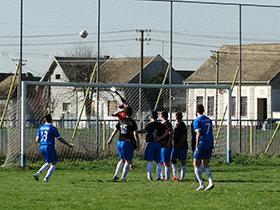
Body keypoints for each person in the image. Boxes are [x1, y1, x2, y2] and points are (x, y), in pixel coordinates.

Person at [33, 114, 73, 182]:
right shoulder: (52, 128)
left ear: (44, 120)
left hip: (42, 146)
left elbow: (37, 140)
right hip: (49, 146)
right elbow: (59, 138)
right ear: (51, 120)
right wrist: (68, 144)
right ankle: (46, 179)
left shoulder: (40, 128)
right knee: (53, 164)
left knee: (49, 162)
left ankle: (38, 173)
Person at [107, 107, 140, 181]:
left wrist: (110, 139)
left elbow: (115, 130)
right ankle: (123, 178)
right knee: (128, 160)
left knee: (122, 160)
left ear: (124, 113)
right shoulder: (132, 122)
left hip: (119, 142)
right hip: (127, 142)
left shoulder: (121, 120)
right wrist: (138, 142)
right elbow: (135, 133)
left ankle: (116, 175)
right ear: (132, 113)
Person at [138, 111, 168, 181]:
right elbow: (167, 132)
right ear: (157, 117)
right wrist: (160, 138)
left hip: (151, 142)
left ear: (151, 117)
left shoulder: (150, 125)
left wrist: (137, 132)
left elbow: (145, 130)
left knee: (149, 160)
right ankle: (158, 177)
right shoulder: (161, 125)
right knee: (158, 161)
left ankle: (149, 177)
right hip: (158, 143)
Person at [110, 87, 135, 170]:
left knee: (132, 147)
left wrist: (116, 93)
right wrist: (119, 112)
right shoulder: (120, 114)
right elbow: (113, 115)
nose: (121, 104)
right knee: (126, 148)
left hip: (129, 128)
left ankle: (130, 162)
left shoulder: (126, 108)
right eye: (120, 105)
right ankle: (129, 162)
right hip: (123, 130)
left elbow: (123, 100)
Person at [193, 104, 214, 191]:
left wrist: (196, 145)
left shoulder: (197, 121)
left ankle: (201, 183)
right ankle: (210, 182)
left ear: (196, 111)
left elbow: (198, 133)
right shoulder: (209, 120)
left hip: (202, 143)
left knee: (196, 164)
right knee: (205, 164)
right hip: (210, 142)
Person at [171, 111, 188, 181]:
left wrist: (179, 144)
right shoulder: (176, 125)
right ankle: (176, 176)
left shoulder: (182, 125)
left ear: (177, 117)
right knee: (173, 160)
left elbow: (184, 136)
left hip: (182, 146)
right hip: (176, 146)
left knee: (182, 161)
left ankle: (182, 177)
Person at [191, 113, 205, 181]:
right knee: (197, 162)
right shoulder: (195, 123)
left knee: (201, 161)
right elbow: (195, 134)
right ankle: (198, 176)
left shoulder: (199, 122)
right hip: (195, 143)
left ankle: (198, 176)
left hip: (200, 143)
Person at [160, 111, 173, 181]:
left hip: (166, 145)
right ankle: (163, 176)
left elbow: (171, 133)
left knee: (166, 162)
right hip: (162, 145)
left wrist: (168, 142)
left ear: (162, 116)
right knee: (162, 161)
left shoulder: (167, 124)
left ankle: (167, 177)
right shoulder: (162, 124)